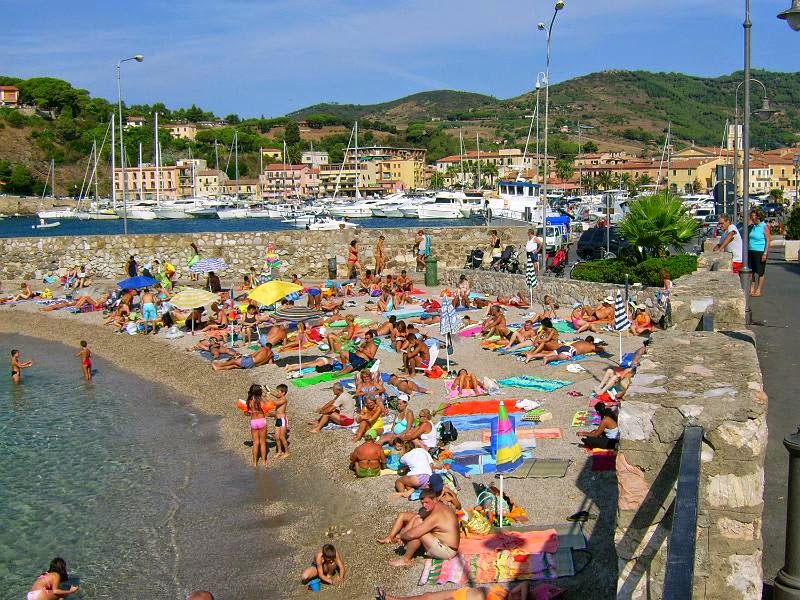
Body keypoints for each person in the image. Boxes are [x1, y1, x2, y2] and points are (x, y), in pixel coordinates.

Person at [378, 488, 460, 568]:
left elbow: (412, 534)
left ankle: (406, 560)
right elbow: (418, 517)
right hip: (441, 541)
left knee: (418, 534)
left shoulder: (436, 515)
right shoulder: (436, 506)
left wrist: (402, 536)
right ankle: (392, 538)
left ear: (434, 500)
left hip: (447, 550)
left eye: (427, 502)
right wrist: (404, 533)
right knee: (416, 522)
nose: (424, 505)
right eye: (422, 503)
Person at [378, 581, 532, 600]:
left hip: (461, 599)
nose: (515, 594)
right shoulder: (506, 593)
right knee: (427, 596)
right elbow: (525, 584)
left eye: (517, 596)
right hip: (462, 592)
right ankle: (395, 598)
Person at [244, 384, 271, 466]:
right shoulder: (260, 400)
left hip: (253, 422)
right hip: (261, 420)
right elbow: (268, 405)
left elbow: (246, 413)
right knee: (262, 442)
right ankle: (263, 461)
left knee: (255, 443)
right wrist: (266, 391)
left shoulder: (249, 401)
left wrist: (251, 412)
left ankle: (254, 462)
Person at [537, 335, 605, 365]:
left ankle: (531, 356)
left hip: (566, 347)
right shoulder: (591, 345)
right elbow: (600, 349)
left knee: (549, 353)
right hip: (571, 350)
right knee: (559, 357)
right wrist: (600, 346)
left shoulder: (580, 341)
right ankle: (547, 359)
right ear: (591, 342)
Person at [748, 208, 770, 297]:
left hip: (760, 251)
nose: (751, 218)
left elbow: (768, 240)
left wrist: (765, 253)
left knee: (760, 271)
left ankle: (759, 289)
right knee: (751, 271)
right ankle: (752, 288)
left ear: (758, 216)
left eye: (753, 216)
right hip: (751, 250)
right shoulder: (752, 227)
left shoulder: (764, 226)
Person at [272, 383, 290, 457]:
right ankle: (279, 451)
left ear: (283, 393)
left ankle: (287, 452)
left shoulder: (283, 400)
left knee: (282, 437)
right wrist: (267, 392)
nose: (277, 393)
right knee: (276, 437)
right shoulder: (279, 397)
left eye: (278, 392)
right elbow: (275, 395)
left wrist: (266, 397)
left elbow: (275, 403)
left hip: (283, 420)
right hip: (278, 419)